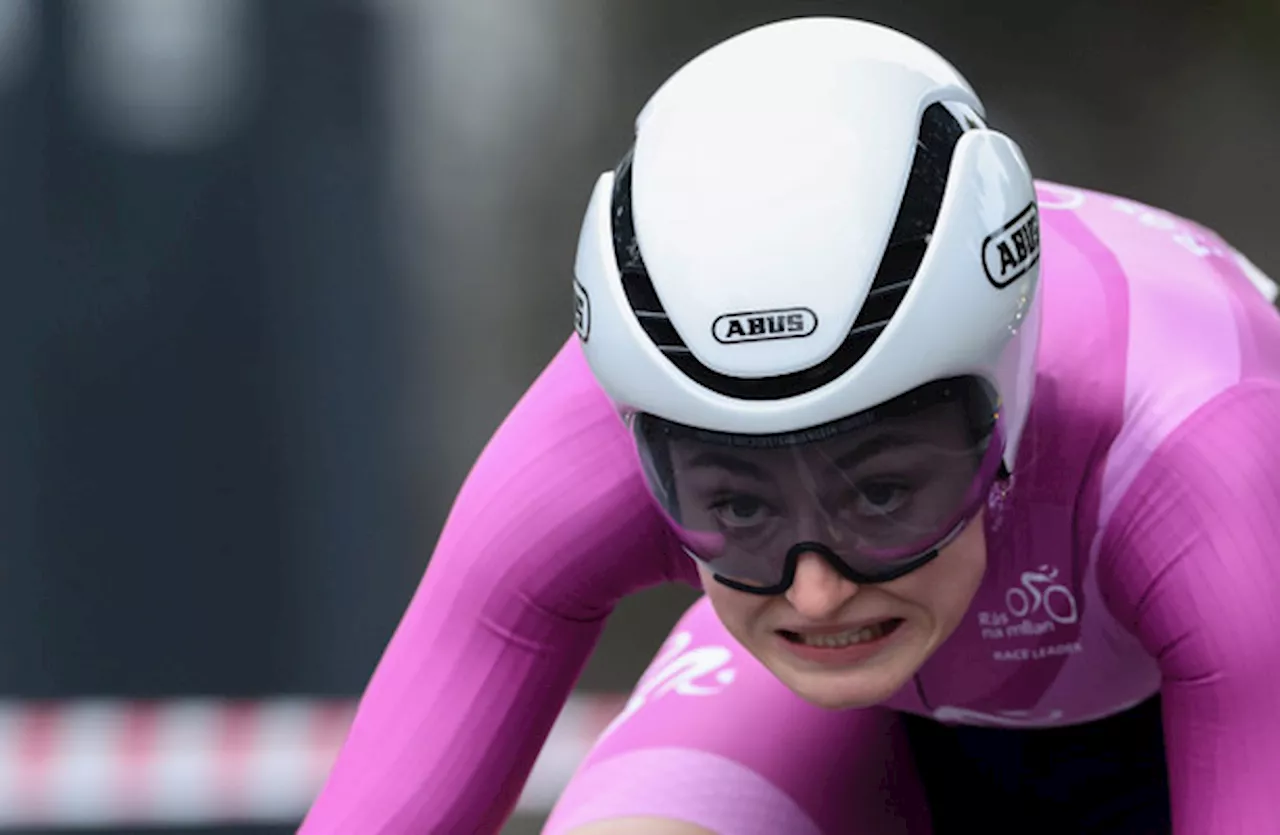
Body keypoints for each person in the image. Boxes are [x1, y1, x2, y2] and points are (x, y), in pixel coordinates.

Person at [298, 16, 1280, 835]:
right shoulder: (605, 415)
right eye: (736, 503)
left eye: (882, 491)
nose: (814, 590)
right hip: (856, 729)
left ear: (1005, 401)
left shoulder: (1199, 443)